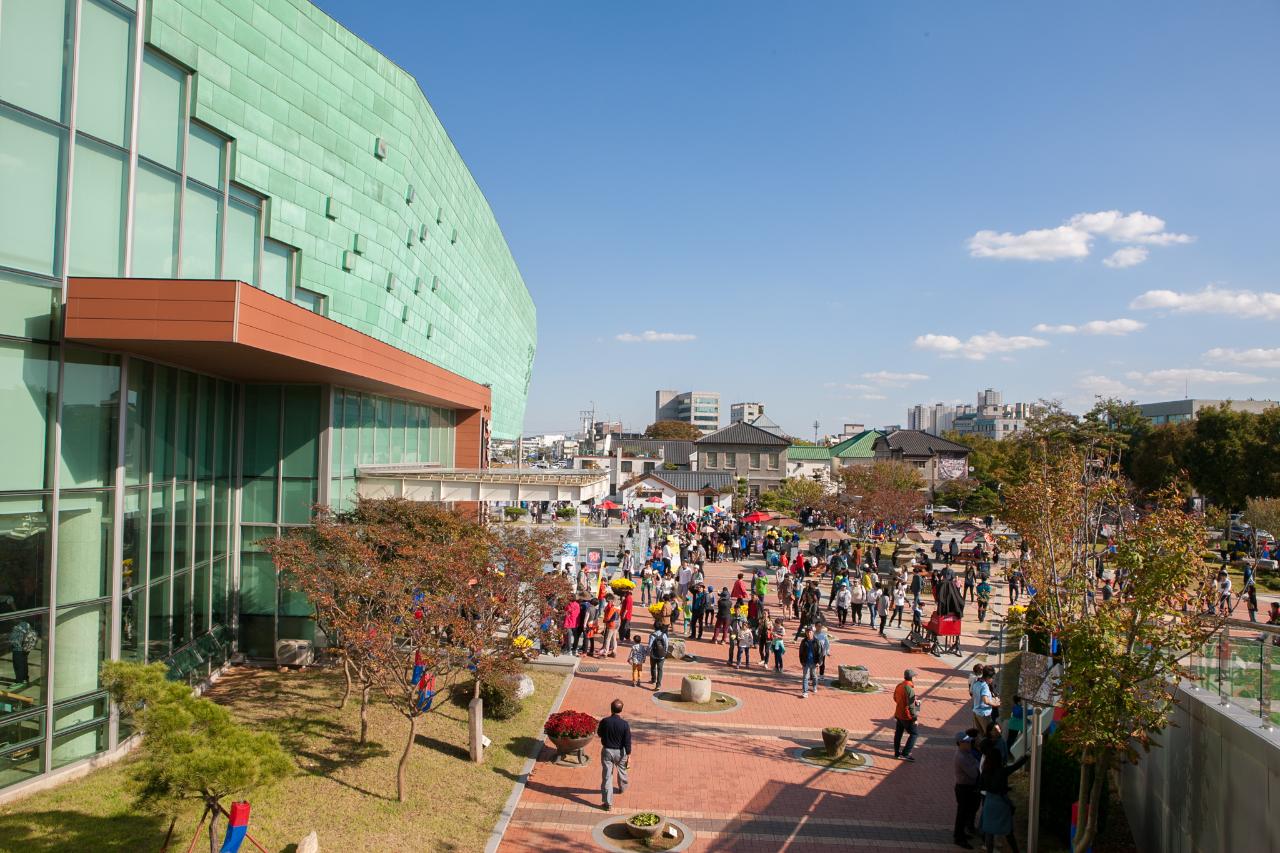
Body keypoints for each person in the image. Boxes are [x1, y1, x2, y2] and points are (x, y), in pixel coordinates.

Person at [978, 731, 1029, 853]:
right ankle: (1015, 850)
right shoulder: (1002, 771)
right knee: (1007, 830)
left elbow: (981, 785)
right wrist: (1027, 756)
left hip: (989, 802)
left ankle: (989, 850)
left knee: (989, 830)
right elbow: (1015, 766)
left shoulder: (985, 771)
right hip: (1001, 802)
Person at [597, 699, 632, 812]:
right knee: (622, 771)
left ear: (611, 708)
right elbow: (627, 741)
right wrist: (629, 755)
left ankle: (608, 803)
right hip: (621, 752)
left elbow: (599, 733)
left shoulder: (605, 721)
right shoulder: (625, 724)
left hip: (607, 751)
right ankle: (622, 787)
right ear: (621, 710)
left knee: (607, 776)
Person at [954, 730, 982, 849]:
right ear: (960, 743)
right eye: (967, 742)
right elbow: (974, 773)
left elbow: (977, 764)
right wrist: (977, 767)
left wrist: (976, 766)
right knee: (962, 814)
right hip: (964, 789)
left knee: (965, 813)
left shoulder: (967, 752)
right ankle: (959, 838)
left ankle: (961, 834)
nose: (970, 743)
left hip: (968, 787)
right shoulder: (961, 757)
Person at [893, 668, 920, 760]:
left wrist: (902, 703)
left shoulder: (899, 685)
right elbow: (911, 706)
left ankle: (896, 752)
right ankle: (906, 753)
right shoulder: (909, 689)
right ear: (911, 677)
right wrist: (914, 718)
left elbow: (895, 698)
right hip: (906, 716)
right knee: (914, 734)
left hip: (898, 713)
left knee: (898, 733)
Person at [972, 666, 999, 734]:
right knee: (988, 733)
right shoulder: (985, 686)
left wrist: (991, 698)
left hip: (976, 712)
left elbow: (975, 695)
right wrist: (995, 704)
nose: (992, 680)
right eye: (992, 678)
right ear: (988, 677)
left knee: (980, 734)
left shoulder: (976, 682)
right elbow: (985, 700)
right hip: (984, 714)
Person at [798, 627, 821, 698]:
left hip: (814, 662)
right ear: (806, 633)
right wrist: (802, 661)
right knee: (805, 677)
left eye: (810, 632)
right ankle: (805, 692)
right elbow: (800, 652)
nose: (809, 633)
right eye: (807, 632)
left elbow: (820, 652)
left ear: (813, 632)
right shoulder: (803, 641)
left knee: (814, 676)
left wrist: (819, 662)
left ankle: (814, 686)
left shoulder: (817, 641)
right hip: (806, 662)